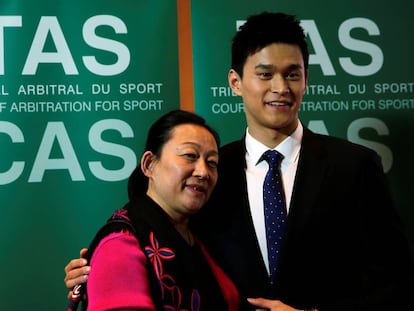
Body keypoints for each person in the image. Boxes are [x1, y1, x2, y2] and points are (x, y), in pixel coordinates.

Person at [65, 12, 414, 311]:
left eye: (293, 74)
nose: (280, 87)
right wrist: (96, 267)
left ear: (306, 79)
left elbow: (398, 284)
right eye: (265, 74)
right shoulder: (210, 174)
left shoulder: (355, 166)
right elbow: (156, 237)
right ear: (235, 81)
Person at [67, 109, 240, 310]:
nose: (203, 172)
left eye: (212, 163)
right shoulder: (121, 241)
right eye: (189, 156)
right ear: (149, 164)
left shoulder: (202, 234)